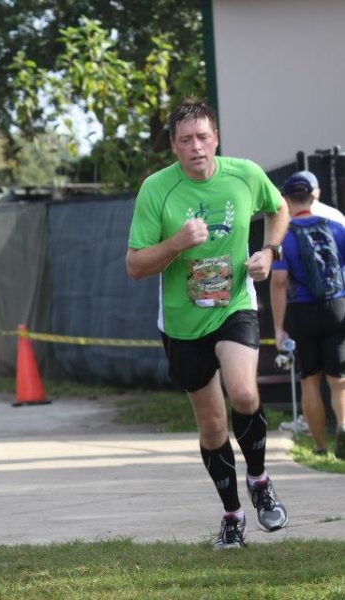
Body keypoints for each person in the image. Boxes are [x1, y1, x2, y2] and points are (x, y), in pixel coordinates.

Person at [126, 99, 290, 551]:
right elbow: (136, 266)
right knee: (213, 425)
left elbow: (279, 210)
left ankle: (259, 479)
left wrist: (269, 251)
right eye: (185, 140)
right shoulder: (156, 190)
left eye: (203, 137)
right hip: (182, 321)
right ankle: (232, 515)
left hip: (235, 304)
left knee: (244, 392)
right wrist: (177, 243)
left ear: (216, 138)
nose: (196, 147)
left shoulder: (245, 174)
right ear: (174, 147)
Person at [270, 171, 345, 459]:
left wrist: (279, 328)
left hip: (303, 311)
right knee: (338, 380)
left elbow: (278, 283)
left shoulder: (285, 236)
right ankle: (342, 424)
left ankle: (319, 446)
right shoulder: (336, 228)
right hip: (337, 307)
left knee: (310, 380)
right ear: (314, 195)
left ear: (286, 199)